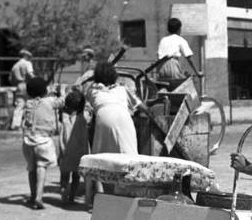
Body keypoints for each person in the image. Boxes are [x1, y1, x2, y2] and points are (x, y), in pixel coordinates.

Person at [85, 60, 164, 197]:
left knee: (102, 160)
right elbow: (142, 107)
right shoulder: (122, 89)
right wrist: (153, 116)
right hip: (123, 119)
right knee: (129, 158)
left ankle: (104, 195)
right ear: (114, 76)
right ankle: (129, 194)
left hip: (103, 120)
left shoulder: (92, 91)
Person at [21, 77, 64, 210]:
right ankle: (39, 197)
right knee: (41, 167)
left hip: (28, 140)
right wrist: (61, 90)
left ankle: (33, 196)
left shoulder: (28, 103)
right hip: (43, 141)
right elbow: (62, 102)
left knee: (31, 168)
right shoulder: (50, 101)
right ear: (44, 90)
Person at [58, 89, 90, 204]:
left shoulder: (64, 117)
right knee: (76, 177)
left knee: (64, 177)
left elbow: (61, 103)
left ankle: (63, 194)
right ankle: (71, 197)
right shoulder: (84, 117)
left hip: (65, 152)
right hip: (79, 154)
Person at [156, 18, 203, 83]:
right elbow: (189, 58)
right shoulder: (180, 39)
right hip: (172, 66)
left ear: (168, 29)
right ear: (179, 29)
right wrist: (197, 72)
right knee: (187, 80)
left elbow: (158, 56)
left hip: (160, 68)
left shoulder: (163, 40)